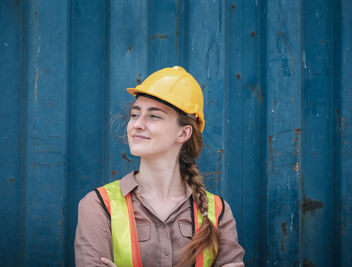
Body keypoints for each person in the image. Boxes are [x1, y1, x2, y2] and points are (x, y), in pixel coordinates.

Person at [74, 66, 245, 267]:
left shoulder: (219, 212)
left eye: (154, 116)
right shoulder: (98, 205)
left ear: (183, 133)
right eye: (135, 114)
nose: (137, 124)